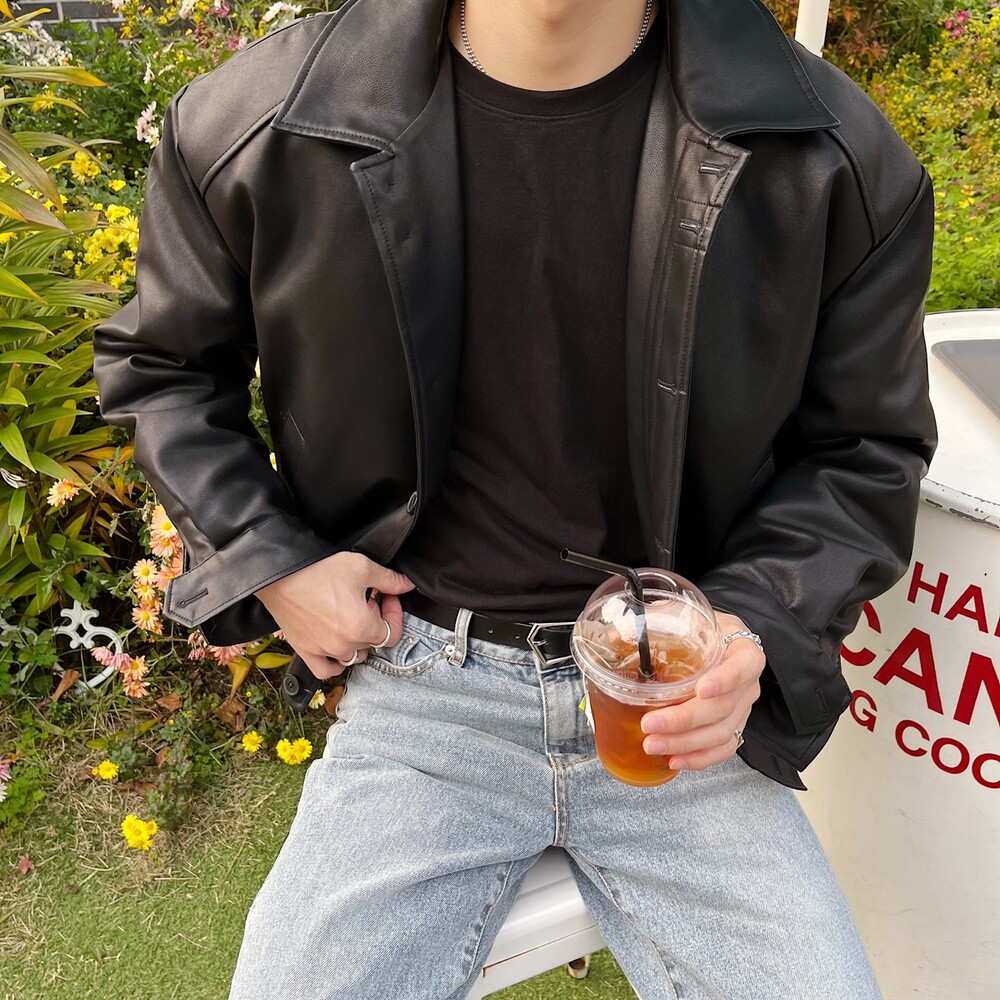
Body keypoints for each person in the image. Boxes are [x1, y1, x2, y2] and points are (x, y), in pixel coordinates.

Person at [91, 0, 937, 996]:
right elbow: (163, 367)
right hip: (425, 698)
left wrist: (753, 621)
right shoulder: (261, 122)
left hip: (676, 701)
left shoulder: (832, 156)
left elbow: (863, 448)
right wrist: (271, 560)